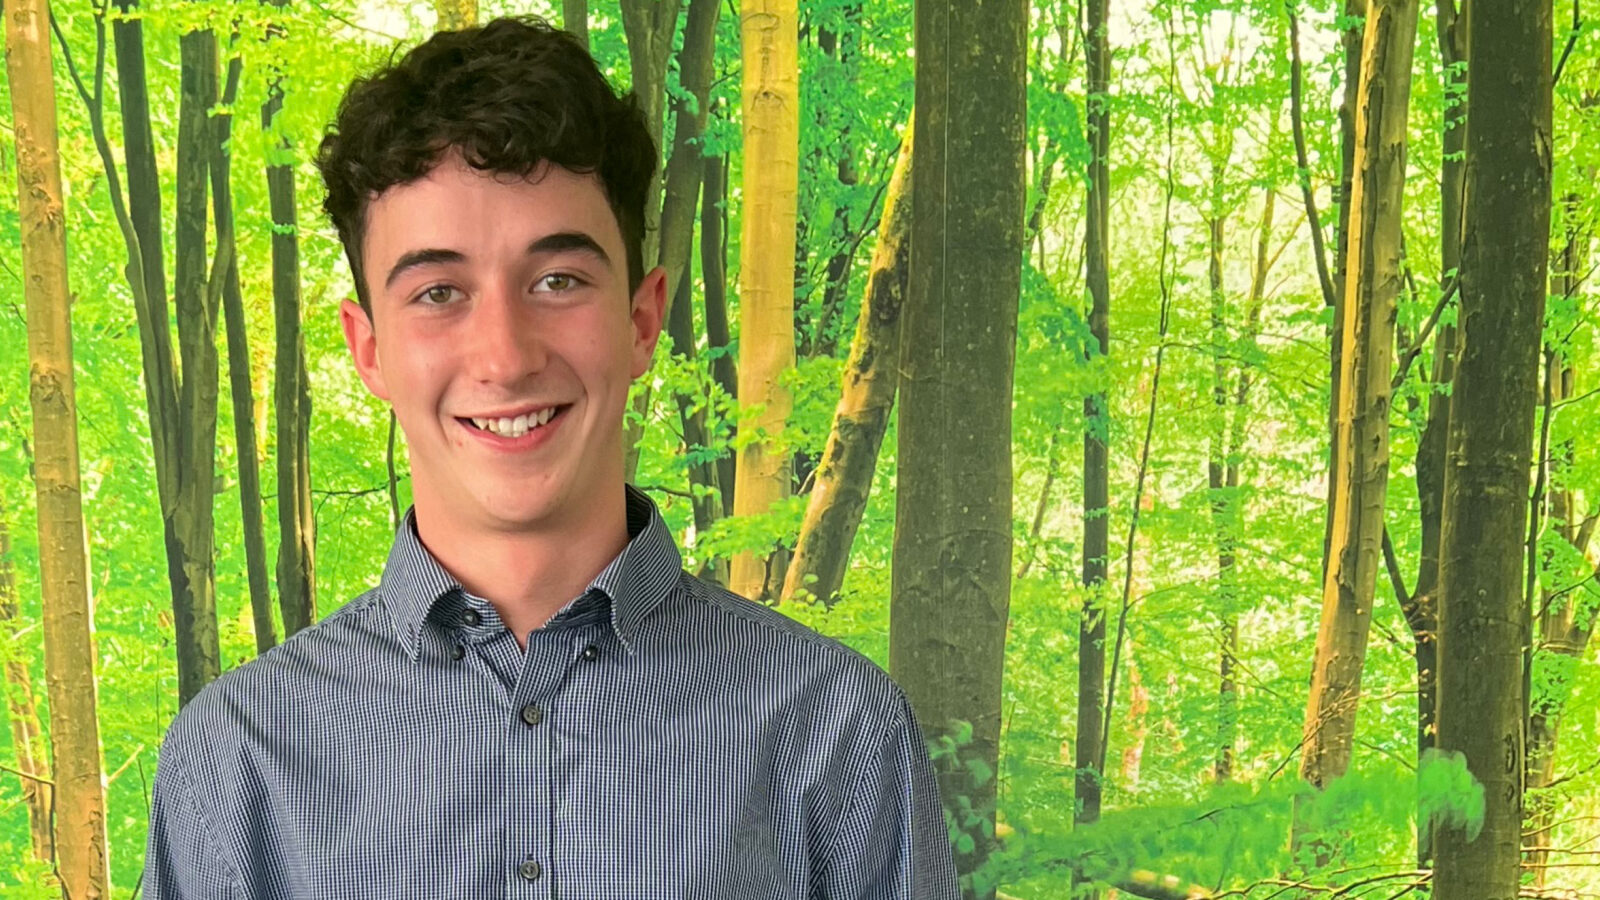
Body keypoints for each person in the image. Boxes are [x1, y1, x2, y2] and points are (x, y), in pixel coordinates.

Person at [141, 15, 960, 899]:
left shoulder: (835, 732)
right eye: (439, 292)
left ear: (642, 320)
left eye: (557, 281)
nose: (506, 354)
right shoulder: (237, 761)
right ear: (368, 348)